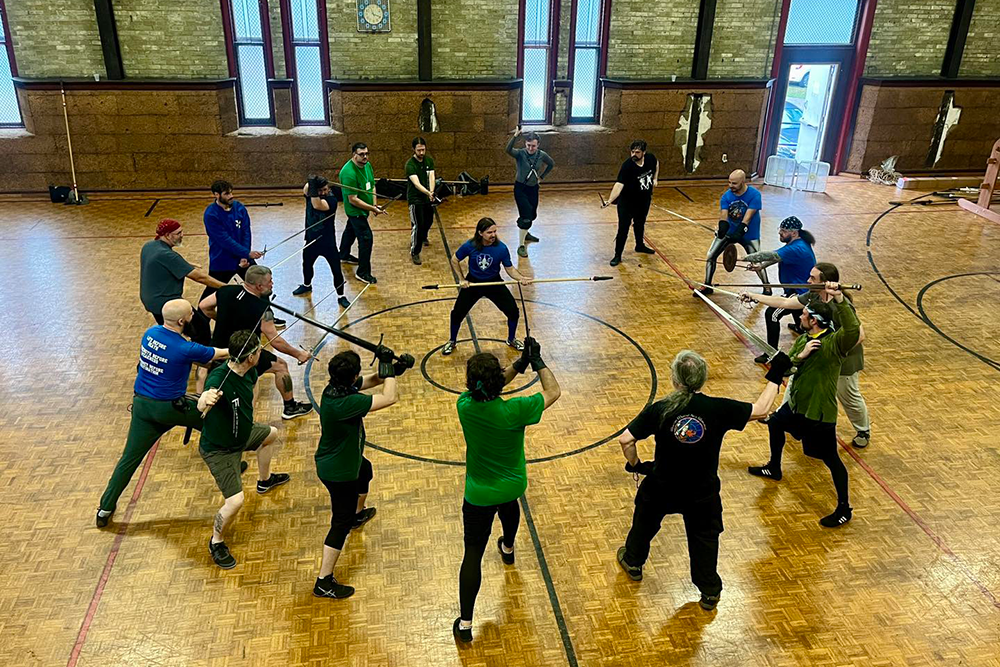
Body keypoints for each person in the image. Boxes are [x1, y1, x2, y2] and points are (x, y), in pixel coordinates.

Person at [615, 349, 791, 611]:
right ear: (703, 378)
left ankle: (633, 561)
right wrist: (775, 373)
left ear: (675, 380)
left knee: (644, 521)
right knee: (705, 538)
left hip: (663, 485)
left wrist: (636, 465)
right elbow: (762, 408)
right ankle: (709, 591)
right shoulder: (718, 408)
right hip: (702, 491)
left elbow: (626, 439)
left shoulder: (661, 409)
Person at [452, 337, 561, 642]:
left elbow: (489, 387)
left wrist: (519, 364)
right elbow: (553, 391)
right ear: (496, 383)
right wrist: (536, 362)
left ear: (470, 383)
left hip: (478, 493)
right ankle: (509, 548)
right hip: (512, 485)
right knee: (510, 506)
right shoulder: (518, 410)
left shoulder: (464, 406)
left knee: (472, 553)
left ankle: (465, 624)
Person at [96, 299, 229, 528]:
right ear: (181, 321)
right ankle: (230, 465)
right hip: (171, 407)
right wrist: (242, 347)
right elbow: (218, 354)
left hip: (142, 407)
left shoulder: (150, 334)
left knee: (129, 460)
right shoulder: (185, 348)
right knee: (216, 422)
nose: (193, 317)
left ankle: (105, 508)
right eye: (190, 314)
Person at [747, 283, 860, 527]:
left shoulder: (834, 344)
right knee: (775, 424)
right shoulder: (804, 341)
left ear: (816, 320)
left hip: (818, 413)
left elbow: (851, 328)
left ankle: (844, 508)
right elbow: (787, 368)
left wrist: (839, 298)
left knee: (831, 459)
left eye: (806, 314)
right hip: (797, 405)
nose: (802, 316)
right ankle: (774, 467)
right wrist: (801, 356)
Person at [740, 262, 871, 448]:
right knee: (794, 381)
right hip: (816, 352)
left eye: (812, 278)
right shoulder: (813, 296)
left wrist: (833, 350)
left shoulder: (841, 305)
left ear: (825, 283)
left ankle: (863, 429)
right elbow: (785, 303)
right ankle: (781, 415)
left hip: (843, 360)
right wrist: (754, 296)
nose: (808, 280)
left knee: (848, 396)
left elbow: (860, 335)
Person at [313, 348, 408, 599]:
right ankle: (323, 581)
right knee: (339, 524)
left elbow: (369, 381)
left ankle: (357, 514)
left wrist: (394, 370)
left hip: (347, 460)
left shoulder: (336, 389)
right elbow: (389, 397)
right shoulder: (345, 403)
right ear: (352, 375)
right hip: (339, 471)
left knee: (366, 471)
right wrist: (387, 367)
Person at [198, 329, 288, 569]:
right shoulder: (220, 378)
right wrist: (205, 398)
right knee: (235, 501)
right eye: (258, 350)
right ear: (250, 357)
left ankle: (265, 480)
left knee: (271, 434)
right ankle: (216, 541)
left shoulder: (250, 370)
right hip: (220, 449)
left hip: (242, 435)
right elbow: (204, 396)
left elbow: (258, 385)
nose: (261, 352)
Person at [199, 265, 313, 420]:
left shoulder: (226, 290)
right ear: (259, 286)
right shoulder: (262, 308)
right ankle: (290, 407)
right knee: (281, 366)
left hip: (217, 350)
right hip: (244, 353)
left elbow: (204, 306)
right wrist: (299, 354)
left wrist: (222, 320)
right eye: (269, 282)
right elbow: (275, 341)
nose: (272, 284)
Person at [443, 217, 532, 356]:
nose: (493, 235)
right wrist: (461, 279)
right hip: (473, 283)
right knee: (457, 314)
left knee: (513, 311)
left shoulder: (501, 248)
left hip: (493, 283)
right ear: (480, 233)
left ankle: (512, 339)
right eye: (489, 232)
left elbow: (509, 268)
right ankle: (452, 341)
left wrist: (521, 278)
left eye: (495, 231)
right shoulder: (470, 245)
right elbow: (455, 260)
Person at [201, 180, 283, 326]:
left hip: (244, 258)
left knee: (262, 284)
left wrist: (245, 256)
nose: (231, 196)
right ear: (216, 195)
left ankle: (267, 318)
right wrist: (246, 253)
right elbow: (224, 240)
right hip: (222, 262)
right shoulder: (211, 215)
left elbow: (246, 231)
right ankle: (199, 325)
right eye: (227, 194)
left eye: (231, 192)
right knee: (211, 293)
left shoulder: (239, 208)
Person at [743, 216, 816, 363]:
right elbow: (779, 257)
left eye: (783, 231)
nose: (780, 234)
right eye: (780, 230)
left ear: (794, 232)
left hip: (801, 293)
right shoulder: (798, 242)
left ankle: (771, 353)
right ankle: (800, 328)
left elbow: (772, 255)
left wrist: (744, 257)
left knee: (772, 314)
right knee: (793, 307)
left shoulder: (796, 248)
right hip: (794, 289)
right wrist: (761, 266)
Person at [140, 218, 226, 342]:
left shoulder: (149, 246)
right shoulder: (168, 256)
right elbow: (200, 277)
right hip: (164, 301)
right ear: (167, 235)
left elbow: (164, 263)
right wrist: (225, 287)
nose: (182, 235)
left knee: (172, 331)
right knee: (201, 326)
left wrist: (185, 263)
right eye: (178, 233)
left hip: (150, 299)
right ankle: (203, 357)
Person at [697, 170, 771, 296]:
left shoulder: (754, 195)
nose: (731, 186)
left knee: (756, 261)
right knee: (710, 256)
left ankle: (767, 287)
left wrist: (738, 234)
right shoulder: (726, 196)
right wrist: (722, 229)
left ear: (743, 182)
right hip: (730, 231)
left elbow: (747, 219)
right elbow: (724, 216)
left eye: (734, 183)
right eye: (729, 182)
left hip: (749, 233)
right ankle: (707, 285)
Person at [291, 175, 351, 309]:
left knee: (336, 270)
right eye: (321, 190)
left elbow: (317, 205)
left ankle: (341, 296)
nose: (324, 192)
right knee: (306, 264)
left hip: (328, 243)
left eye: (325, 189)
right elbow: (306, 189)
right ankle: (307, 286)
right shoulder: (311, 194)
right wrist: (311, 181)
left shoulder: (332, 200)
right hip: (311, 240)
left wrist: (314, 187)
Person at [602, 140, 658, 266]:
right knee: (623, 229)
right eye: (632, 152)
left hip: (644, 201)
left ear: (644, 152)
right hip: (627, 203)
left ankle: (639, 245)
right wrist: (610, 200)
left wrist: (655, 178)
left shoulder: (650, 159)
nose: (634, 154)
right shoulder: (627, 166)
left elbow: (657, 164)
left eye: (637, 152)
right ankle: (617, 255)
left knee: (640, 224)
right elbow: (619, 184)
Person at [338, 142, 386, 284]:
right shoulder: (348, 173)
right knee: (366, 239)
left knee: (350, 231)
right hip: (355, 211)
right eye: (361, 154)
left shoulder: (367, 165)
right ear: (354, 155)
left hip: (365, 209)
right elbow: (353, 199)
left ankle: (343, 255)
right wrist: (372, 209)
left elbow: (372, 186)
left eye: (366, 154)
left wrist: (374, 204)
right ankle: (363, 272)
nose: (365, 157)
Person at [505, 127, 555, 258]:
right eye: (528, 145)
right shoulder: (520, 153)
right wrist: (515, 136)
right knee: (526, 215)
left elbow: (551, 164)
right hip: (520, 188)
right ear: (525, 144)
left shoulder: (541, 155)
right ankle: (521, 246)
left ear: (538, 144)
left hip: (533, 189)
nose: (531, 148)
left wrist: (542, 177)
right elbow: (508, 150)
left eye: (533, 146)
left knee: (532, 215)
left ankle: (525, 232)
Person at [406, 137, 436, 265]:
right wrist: (427, 192)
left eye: (423, 149)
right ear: (414, 150)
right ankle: (415, 251)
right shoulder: (410, 165)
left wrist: (432, 191)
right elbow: (416, 183)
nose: (422, 153)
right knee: (418, 224)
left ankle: (423, 236)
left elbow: (431, 176)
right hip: (415, 199)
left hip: (427, 197)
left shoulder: (429, 160)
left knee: (428, 220)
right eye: (419, 150)